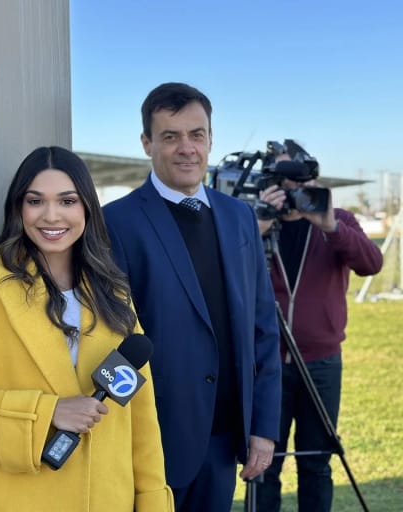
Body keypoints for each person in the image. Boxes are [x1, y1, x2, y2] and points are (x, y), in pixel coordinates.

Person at [0, 146, 174, 512]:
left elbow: (140, 418)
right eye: (35, 201)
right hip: (11, 499)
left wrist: (152, 502)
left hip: (107, 499)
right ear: (18, 208)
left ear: (87, 206)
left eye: (67, 201)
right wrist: (46, 413)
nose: (51, 215)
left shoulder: (112, 292)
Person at [102, 82, 282, 512]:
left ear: (210, 139)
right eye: (170, 136)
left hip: (223, 441)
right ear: (146, 143)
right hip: (150, 440)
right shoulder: (114, 222)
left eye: (196, 134)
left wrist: (263, 426)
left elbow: (263, 327)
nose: (187, 148)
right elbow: (107, 340)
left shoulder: (239, 217)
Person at [253, 151, 383, 511]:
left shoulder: (337, 220)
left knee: (317, 462)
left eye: (302, 182)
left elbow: (371, 263)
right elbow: (221, 271)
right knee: (264, 463)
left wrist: (331, 227)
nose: (294, 189)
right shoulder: (254, 223)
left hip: (322, 363)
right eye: (284, 181)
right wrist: (254, 226)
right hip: (267, 365)